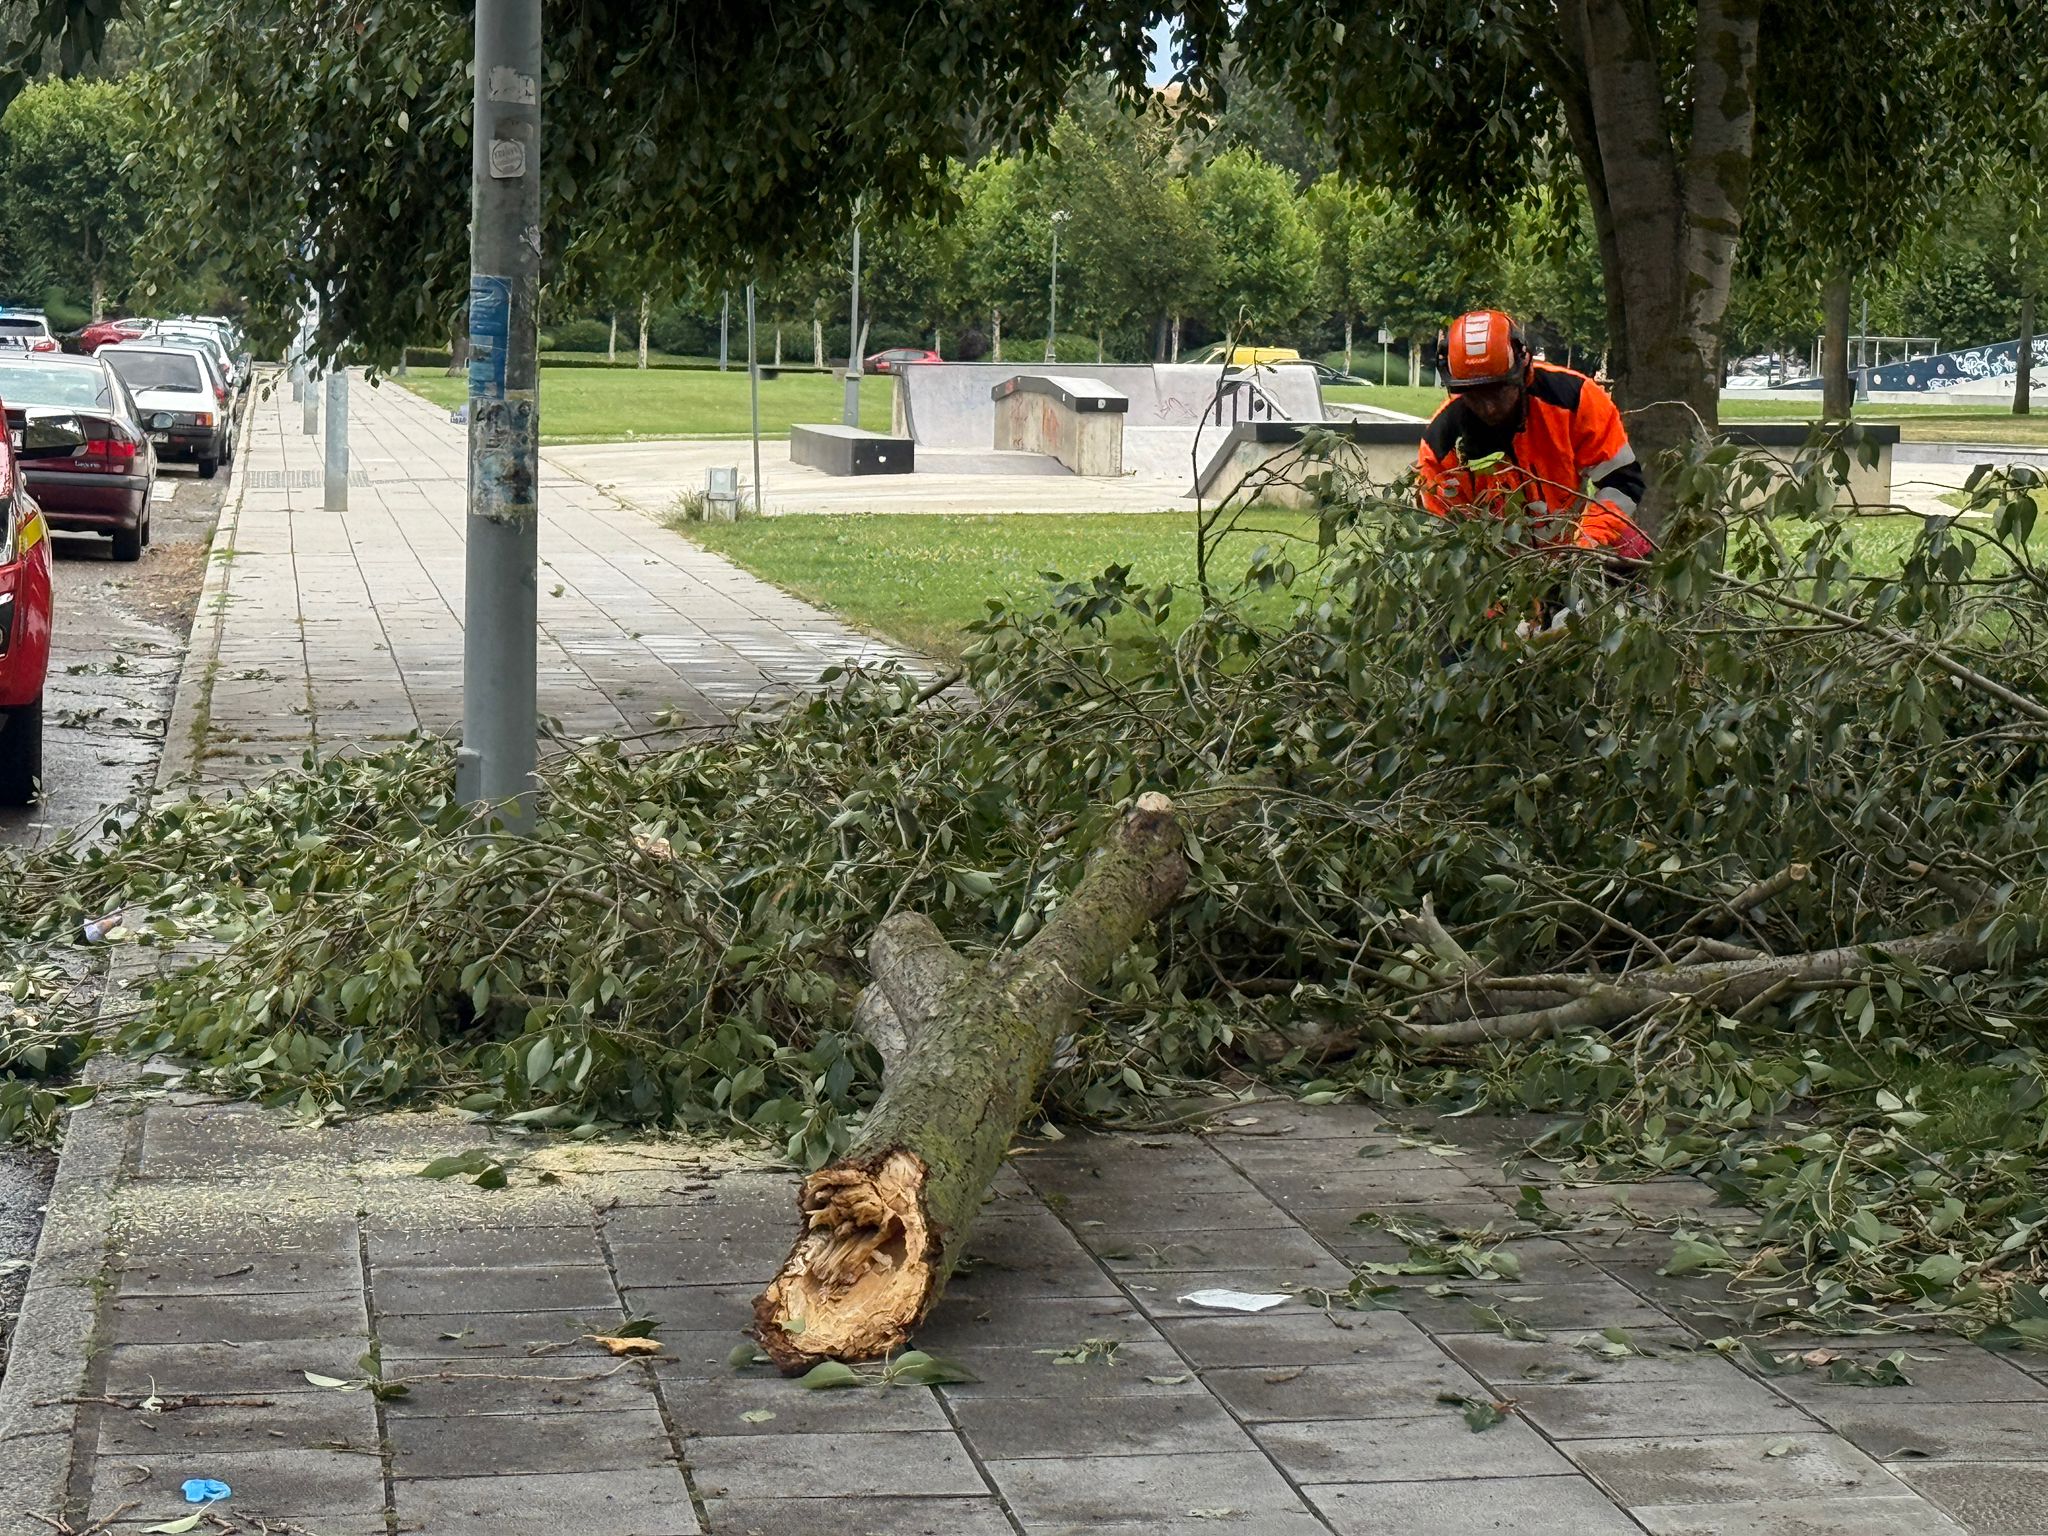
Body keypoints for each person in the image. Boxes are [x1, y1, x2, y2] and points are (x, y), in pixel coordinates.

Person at [1416, 310, 1652, 560]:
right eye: (1476, 395)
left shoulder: (1573, 399)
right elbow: (1448, 535)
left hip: (1573, 551)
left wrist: (1586, 545)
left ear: (1522, 367)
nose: (1490, 408)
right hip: (1501, 570)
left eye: (1498, 391)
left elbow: (1622, 481)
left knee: (1633, 550)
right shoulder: (1442, 442)